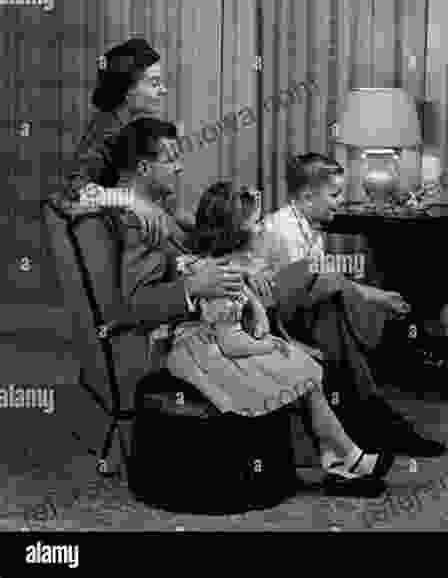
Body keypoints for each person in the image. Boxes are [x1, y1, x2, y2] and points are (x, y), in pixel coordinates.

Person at [110, 118, 395, 497]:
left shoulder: (156, 207)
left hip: (221, 316)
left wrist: (243, 270)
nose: (179, 167)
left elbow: (200, 242)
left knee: (317, 284)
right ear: (144, 167)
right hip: (197, 337)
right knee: (314, 290)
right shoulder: (136, 221)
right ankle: (351, 445)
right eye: (171, 160)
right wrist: (197, 285)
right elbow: (133, 305)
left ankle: (349, 445)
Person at [256, 153, 447, 457]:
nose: (339, 202)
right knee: (332, 302)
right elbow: (299, 289)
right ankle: (372, 419)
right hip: (268, 322)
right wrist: (375, 296)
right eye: (334, 194)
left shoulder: (309, 228)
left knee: (333, 302)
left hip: (303, 312)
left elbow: (321, 282)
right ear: (307, 195)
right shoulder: (282, 231)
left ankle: (368, 419)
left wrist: (374, 296)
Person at [49, 37, 188, 245]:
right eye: (154, 83)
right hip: (112, 247)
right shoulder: (107, 128)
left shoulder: (132, 127)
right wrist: (132, 200)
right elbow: (74, 190)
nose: (163, 90)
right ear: (128, 91)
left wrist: (174, 209)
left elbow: (143, 180)